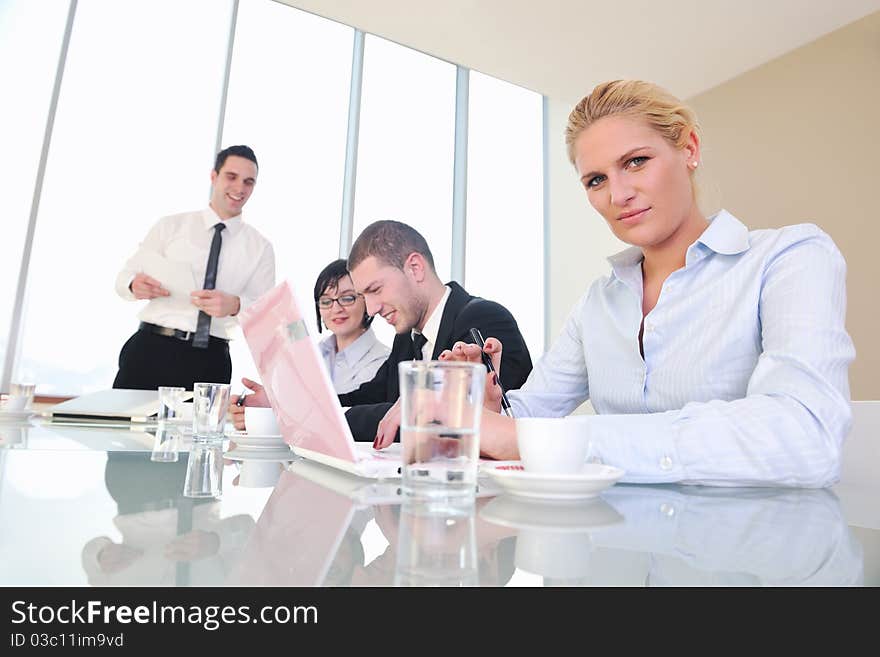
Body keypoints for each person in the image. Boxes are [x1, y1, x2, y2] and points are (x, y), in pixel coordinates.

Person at [442, 79, 855, 487]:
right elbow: (527, 423)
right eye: (596, 180)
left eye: (636, 161)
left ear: (689, 149)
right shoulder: (597, 303)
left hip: (751, 545)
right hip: (617, 542)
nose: (618, 194)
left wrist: (546, 440)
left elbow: (806, 436)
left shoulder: (788, 257)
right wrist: (494, 409)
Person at [232, 220, 533, 445]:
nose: (372, 308)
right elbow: (365, 397)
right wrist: (286, 404)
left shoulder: (483, 319)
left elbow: (438, 417)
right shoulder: (407, 338)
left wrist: (311, 419)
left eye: (375, 290)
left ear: (415, 268)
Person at [112, 145, 275, 391]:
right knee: (125, 426)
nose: (240, 188)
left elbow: (266, 313)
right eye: (231, 177)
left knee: (201, 430)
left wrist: (236, 305)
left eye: (248, 182)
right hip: (150, 348)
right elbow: (123, 279)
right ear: (214, 177)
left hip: (211, 360)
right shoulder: (170, 226)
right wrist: (134, 285)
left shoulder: (261, 248)